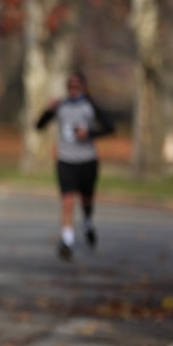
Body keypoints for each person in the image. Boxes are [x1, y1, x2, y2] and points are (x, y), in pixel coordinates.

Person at [35, 70, 114, 261]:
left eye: (76, 85)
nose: (72, 89)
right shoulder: (61, 106)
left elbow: (110, 128)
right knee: (67, 201)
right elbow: (39, 126)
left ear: (84, 87)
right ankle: (67, 242)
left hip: (87, 160)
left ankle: (87, 223)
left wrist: (89, 134)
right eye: (70, 85)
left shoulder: (90, 106)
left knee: (86, 199)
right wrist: (48, 110)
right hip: (66, 160)